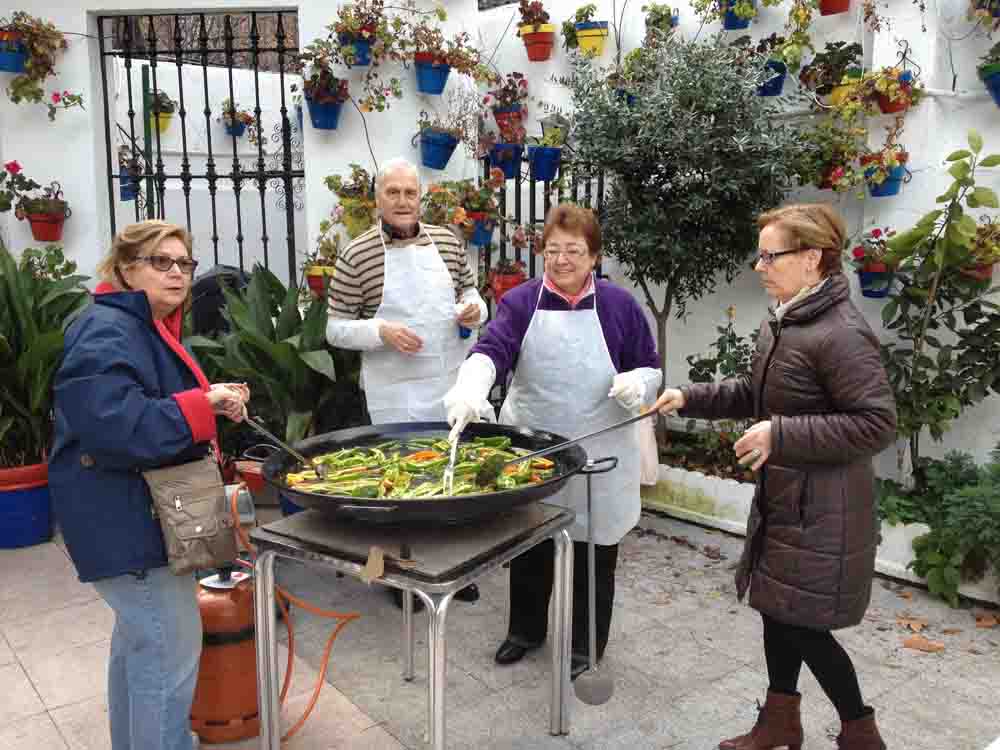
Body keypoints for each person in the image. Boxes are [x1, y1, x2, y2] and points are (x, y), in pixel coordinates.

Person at [652, 203, 896, 750]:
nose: (758, 265)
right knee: (776, 608)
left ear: (812, 259)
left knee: (802, 624)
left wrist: (780, 435)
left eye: (770, 255)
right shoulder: (787, 318)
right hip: (787, 502)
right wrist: (688, 398)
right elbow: (757, 395)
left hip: (822, 511)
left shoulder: (840, 333)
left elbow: (876, 423)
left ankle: (862, 734)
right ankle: (781, 722)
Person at [49, 220, 250, 750]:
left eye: (185, 263)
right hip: (126, 523)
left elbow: (148, 401)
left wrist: (211, 399)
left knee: (139, 647)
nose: (178, 274)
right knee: (166, 653)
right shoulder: (107, 329)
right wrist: (198, 406)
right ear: (125, 269)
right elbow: (114, 425)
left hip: (132, 518)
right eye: (161, 262)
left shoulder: (142, 326)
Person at [444, 203, 662, 679]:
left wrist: (638, 385)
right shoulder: (522, 301)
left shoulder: (619, 305)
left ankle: (586, 646)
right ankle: (524, 631)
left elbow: (650, 365)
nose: (562, 260)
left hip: (600, 449)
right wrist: (471, 386)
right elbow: (492, 348)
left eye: (575, 251)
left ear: (594, 257)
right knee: (530, 548)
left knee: (595, 555)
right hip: (534, 449)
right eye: (554, 249)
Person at [326, 157, 486, 607]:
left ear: (421, 197)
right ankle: (397, 578)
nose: (401, 201)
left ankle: (453, 571)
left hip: (447, 383)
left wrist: (475, 307)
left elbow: (470, 292)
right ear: (377, 199)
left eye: (409, 193)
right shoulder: (357, 254)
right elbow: (334, 328)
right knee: (397, 483)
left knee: (449, 479)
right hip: (393, 389)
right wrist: (380, 332)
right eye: (392, 192)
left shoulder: (448, 242)